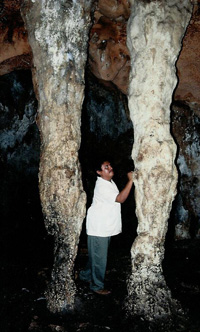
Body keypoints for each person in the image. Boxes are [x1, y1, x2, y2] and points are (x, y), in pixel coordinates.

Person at [79, 159, 133, 295]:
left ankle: (85, 276)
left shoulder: (108, 182)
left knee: (96, 255)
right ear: (99, 172)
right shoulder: (102, 186)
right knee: (99, 258)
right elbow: (120, 198)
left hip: (103, 226)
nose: (110, 168)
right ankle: (97, 286)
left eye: (110, 165)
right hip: (99, 228)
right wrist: (131, 181)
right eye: (106, 167)